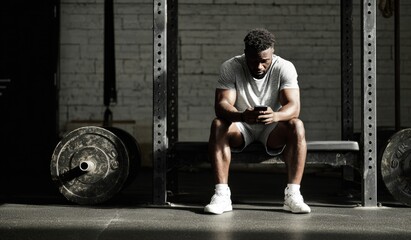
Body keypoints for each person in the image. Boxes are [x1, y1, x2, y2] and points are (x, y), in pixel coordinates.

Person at [204, 28, 311, 214]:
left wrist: (275, 116)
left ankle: (293, 195)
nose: (259, 66)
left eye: (265, 61)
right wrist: (241, 116)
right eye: (254, 61)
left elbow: (294, 106)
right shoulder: (231, 66)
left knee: (297, 125)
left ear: (272, 53)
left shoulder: (284, 67)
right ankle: (222, 195)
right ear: (245, 54)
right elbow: (222, 105)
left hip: (271, 128)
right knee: (218, 124)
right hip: (242, 125)